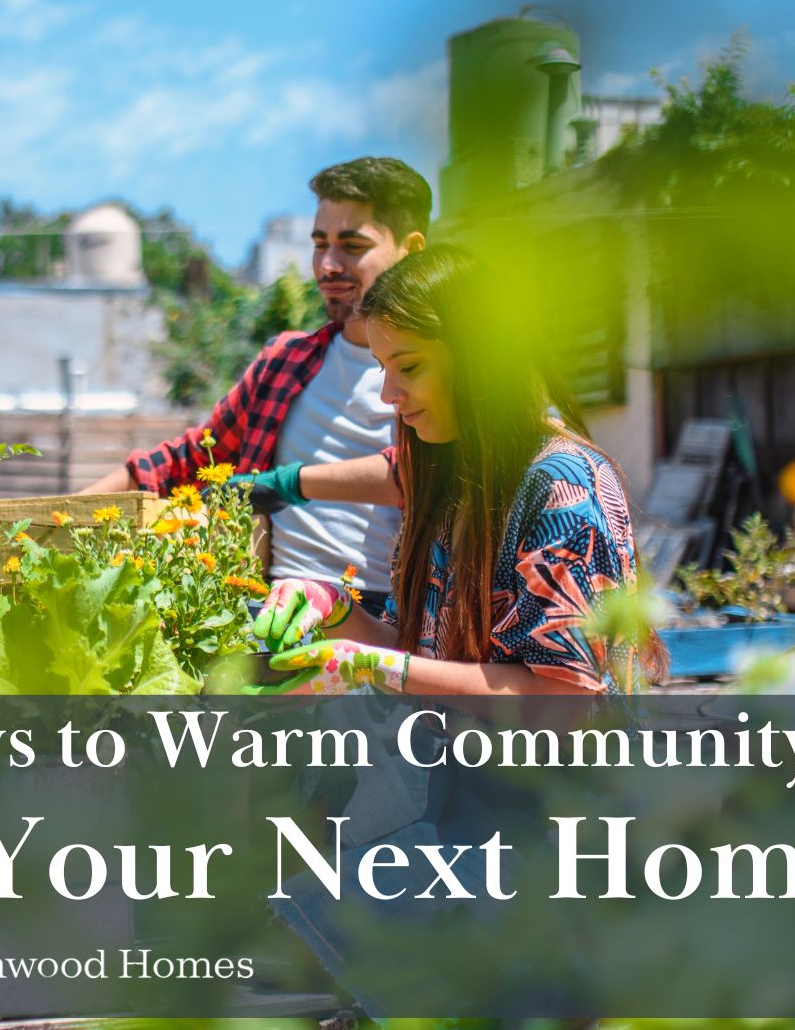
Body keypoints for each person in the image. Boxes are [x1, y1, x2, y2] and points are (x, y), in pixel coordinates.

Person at [246, 244, 655, 696]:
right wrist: (335, 605)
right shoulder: (445, 483)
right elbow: (418, 659)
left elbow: (564, 697)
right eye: (383, 369)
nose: (388, 394)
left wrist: (369, 667)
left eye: (409, 366)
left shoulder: (562, 486)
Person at [83, 157, 427, 602]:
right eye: (319, 244)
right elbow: (186, 461)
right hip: (269, 605)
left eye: (352, 246)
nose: (328, 265)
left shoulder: (440, 366)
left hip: (392, 615)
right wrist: (60, 514)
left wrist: (286, 483)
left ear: (411, 249)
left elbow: (425, 470)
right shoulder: (285, 361)